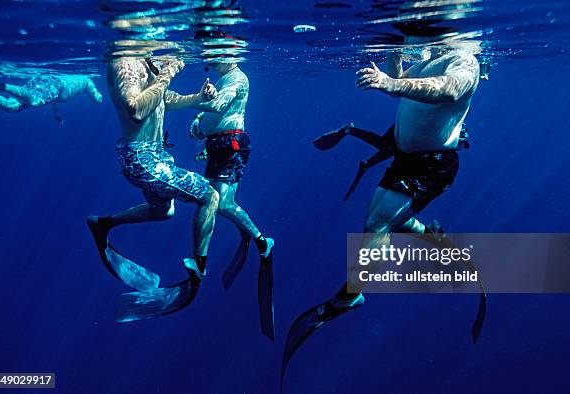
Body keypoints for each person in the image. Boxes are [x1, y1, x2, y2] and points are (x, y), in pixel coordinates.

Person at [280, 35, 483, 385]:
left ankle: (351, 295)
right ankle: (435, 239)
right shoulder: (431, 55)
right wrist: (393, 60)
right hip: (408, 159)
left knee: (376, 223)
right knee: (388, 222)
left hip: (430, 165)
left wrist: (390, 81)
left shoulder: (465, 59)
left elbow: (449, 90)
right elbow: (402, 83)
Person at [87, 56, 220, 303]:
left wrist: (198, 97)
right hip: (140, 157)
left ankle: (104, 224)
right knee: (209, 195)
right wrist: (167, 73)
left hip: (155, 156)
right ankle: (198, 270)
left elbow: (165, 99)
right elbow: (136, 109)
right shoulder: (125, 63)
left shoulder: (146, 66)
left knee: (163, 212)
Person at [190, 59, 274, 283]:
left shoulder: (237, 78)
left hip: (232, 145)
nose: (212, 63)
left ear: (232, 57)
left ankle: (262, 240)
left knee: (224, 204)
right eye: (210, 61)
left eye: (216, 59)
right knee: (209, 202)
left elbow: (219, 105)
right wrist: (199, 122)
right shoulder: (223, 78)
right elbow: (215, 112)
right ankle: (201, 261)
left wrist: (192, 101)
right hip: (216, 145)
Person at [0, 73, 103, 123]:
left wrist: (57, 113)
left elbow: (52, 99)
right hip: (55, 84)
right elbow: (98, 99)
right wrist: (97, 98)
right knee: (35, 102)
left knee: (13, 106)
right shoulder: (87, 81)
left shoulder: (80, 80)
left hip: (46, 80)